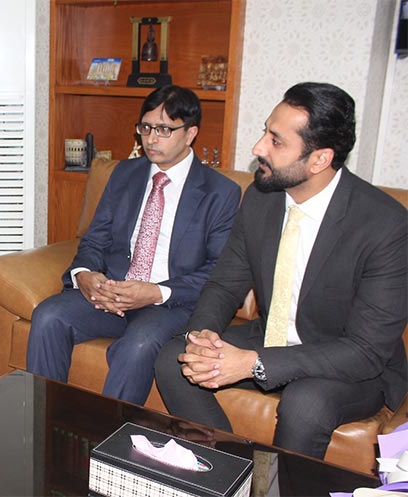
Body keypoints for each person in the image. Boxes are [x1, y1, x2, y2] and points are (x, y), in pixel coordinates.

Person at [154, 82, 408, 460]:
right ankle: (230, 470)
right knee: (176, 360)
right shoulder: (261, 198)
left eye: (276, 141)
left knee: (306, 403)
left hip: (350, 362)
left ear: (319, 159)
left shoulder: (385, 225)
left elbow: (365, 350)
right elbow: (225, 284)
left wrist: (252, 363)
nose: (258, 148)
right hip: (274, 338)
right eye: (264, 132)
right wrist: (203, 336)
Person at [26, 85, 241, 405]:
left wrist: (155, 292)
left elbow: (217, 271)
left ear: (190, 133)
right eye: (146, 128)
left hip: (169, 304)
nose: (151, 138)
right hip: (113, 293)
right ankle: (44, 419)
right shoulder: (124, 174)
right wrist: (84, 275)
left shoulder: (220, 192)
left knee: (138, 345)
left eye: (165, 129)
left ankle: (107, 441)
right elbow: (94, 239)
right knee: (49, 315)